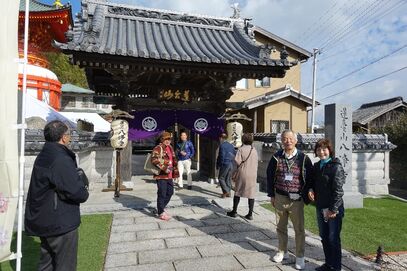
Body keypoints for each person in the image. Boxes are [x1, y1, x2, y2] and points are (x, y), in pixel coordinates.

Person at [25, 120, 89, 271]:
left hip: (45, 218)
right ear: (64, 137)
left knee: (47, 263)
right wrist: (83, 187)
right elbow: (76, 192)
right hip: (59, 221)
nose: (70, 138)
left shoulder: (45, 154)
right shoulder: (60, 159)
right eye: (69, 134)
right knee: (65, 265)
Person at [266, 130, 313, 270]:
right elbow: (269, 177)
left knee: (299, 229)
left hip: (296, 199)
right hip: (280, 196)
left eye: (291, 139)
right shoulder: (276, 157)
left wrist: (308, 192)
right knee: (280, 227)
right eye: (285, 139)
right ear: (281, 141)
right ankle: (282, 251)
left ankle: (299, 256)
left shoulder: (303, 158)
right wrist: (272, 195)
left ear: (296, 141)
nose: (288, 141)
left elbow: (310, 178)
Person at [308, 139, 345, 271]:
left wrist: (333, 209)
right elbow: (312, 182)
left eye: (324, 149)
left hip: (333, 208)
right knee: (324, 237)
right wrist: (311, 189)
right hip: (320, 207)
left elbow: (338, 191)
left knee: (333, 238)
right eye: (318, 149)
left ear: (329, 151)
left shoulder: (336, 167)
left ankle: (336, 267)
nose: (321, 152)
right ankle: (329, 264)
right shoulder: (317, 166)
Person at [226, 133, 258, 220]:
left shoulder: (241, 149)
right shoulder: (254, 150)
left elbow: (238, 161)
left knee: (238, 191)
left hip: (243, 173)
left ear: (243, 140)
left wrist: (233, 156)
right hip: (253, 174)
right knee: (251, 194)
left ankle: (234, 211)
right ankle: (250, 214)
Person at [151, 131, 179, 221]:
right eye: (166, 139)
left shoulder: (170, 147)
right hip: (161, 175)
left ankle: (160, 208)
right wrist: (164, 168)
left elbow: (174, 161)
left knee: (170, 192)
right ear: (162, 140)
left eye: (169, 139)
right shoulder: (158, 148)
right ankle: (161, 212)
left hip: (170, 175)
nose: (168, 141)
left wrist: (176, 173)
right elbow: (154, 160)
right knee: (162, 193)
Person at [216, 132, 236, 198]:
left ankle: (226, 191)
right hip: (231, 163)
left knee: (221, 178)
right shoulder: (231, 145)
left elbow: (222, 156)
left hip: (225, 163)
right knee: (228, 179)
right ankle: (228, 193)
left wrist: (219, 165)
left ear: (221, 138)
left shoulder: (222, 146)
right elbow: (234, 155)